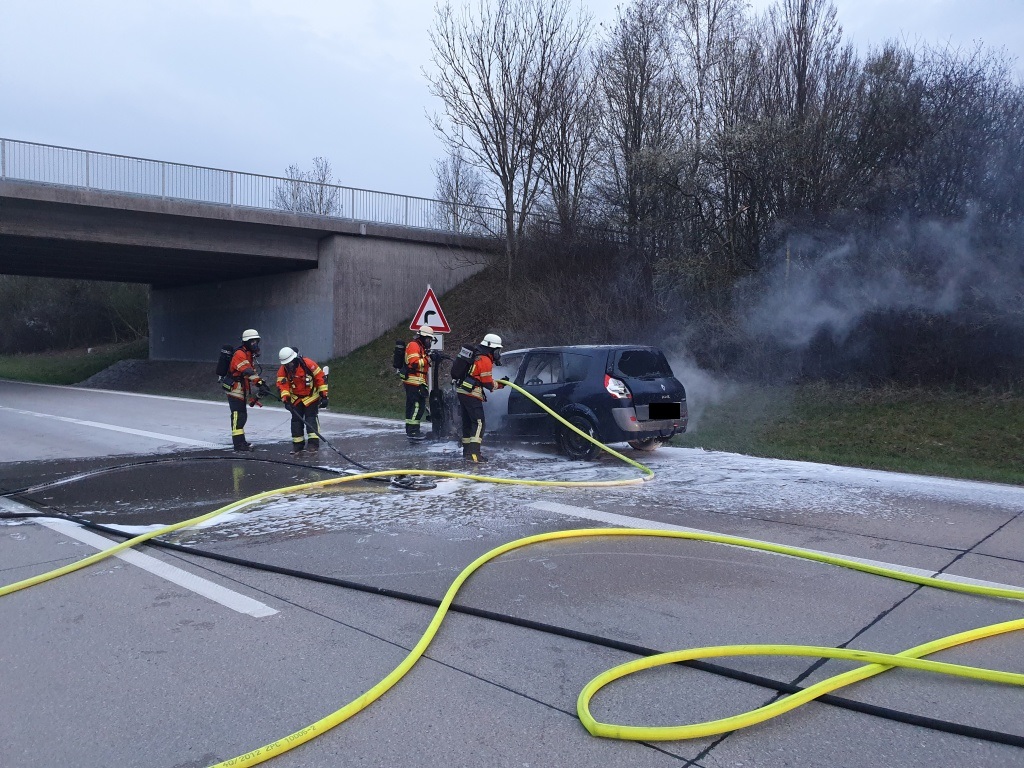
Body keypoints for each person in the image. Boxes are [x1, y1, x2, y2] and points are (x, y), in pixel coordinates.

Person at [456, 333, 506, 462]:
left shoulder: (477, 356)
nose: (498, 353)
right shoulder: (484, 359)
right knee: (479, 423)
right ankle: (474, 455)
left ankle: (467, 453)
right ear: (492, 349)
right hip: (472, 394)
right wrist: (500, 384)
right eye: (497, 350)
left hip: (463, 392)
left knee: (468, 423)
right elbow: (487, 383)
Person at [276, 347, 329, 454]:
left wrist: (324, 396)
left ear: (295, 359)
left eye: (290, 363)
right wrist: (286, 399)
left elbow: (320, 378)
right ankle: (298, 446)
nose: (288, 366)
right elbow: (283, 386)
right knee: (296, 421)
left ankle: (313, 444)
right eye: (286, 364)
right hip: (296, 398)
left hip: (311, 396)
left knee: (310, 419)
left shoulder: (308, 364)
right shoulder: (283, 370)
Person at [225, 329, 265, 452]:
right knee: (238, 415)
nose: (255, 344)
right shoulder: (239, 354)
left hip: (241, 388)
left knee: (242, 415)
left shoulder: (248, 354)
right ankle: (238, 445)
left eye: (256, 341)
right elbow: (246, 371)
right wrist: (259, 382)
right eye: (252, 341)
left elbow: (251, 371)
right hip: (234, 388)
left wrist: (260, 382)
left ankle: (242, 442)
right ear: (246, 342)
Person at [402, 326, 436, 441]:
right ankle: (413, 431)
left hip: (418, 381)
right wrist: (429, 358)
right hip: (413, 381)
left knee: (412, 406)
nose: (429, 342)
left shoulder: (420, 347)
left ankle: (410, 429)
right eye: (428, 339)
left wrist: (430, 357)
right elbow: (415, 363)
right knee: (418, 406)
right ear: (423, 337)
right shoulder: (413, 345)